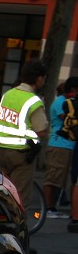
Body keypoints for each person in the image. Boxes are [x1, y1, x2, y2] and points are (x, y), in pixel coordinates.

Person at [0, 58, 49, 217]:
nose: (44, 81)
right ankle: (17, 232)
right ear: (39, 78)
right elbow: (42, 131)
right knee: (20, 198)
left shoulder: (7, 95)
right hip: (22, 154)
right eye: (44, 78)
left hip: (2, 152)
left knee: (2, 194)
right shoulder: (33, 100)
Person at [43, 76, 77, 218]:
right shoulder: (61, 103)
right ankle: (48, 208)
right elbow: (70, 120)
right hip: (59, 144)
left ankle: (60, 208)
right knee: (53, 178)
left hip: (68, 145)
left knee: (66, 179)